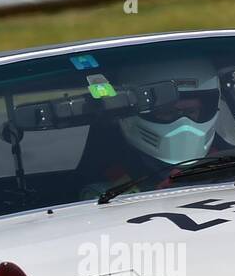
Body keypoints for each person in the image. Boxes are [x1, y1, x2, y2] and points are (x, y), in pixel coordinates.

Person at [77, 58, 223, 200]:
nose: (183, 124)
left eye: (191, 111)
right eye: (168, 113)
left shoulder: (234, 162)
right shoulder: (103, 179)